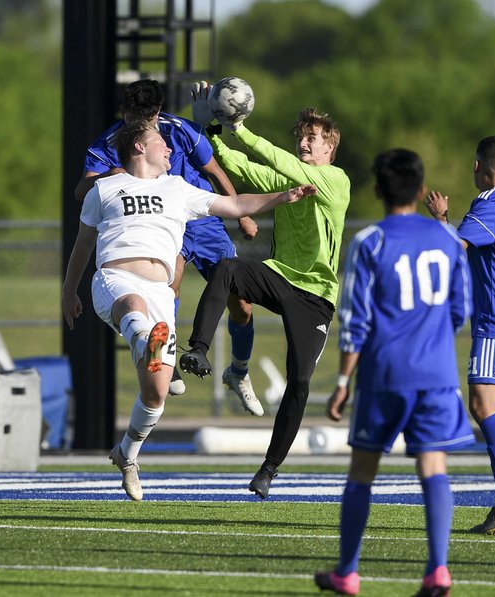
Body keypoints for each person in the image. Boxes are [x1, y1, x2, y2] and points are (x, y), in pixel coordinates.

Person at [62, 120, 316, 501]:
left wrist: (282, 197)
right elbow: (83, 244)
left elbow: (233, 205)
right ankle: (147, 340)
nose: (168, 149)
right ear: (138, 149)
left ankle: (127, 453)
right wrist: (68, 291)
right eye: (160, 144)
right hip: (115, 280)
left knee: (156, 395)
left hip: (160, 292)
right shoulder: (105, 188)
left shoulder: (177, 188)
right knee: (133, 309)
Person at [314, 149, 474, 597]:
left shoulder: (369, 242)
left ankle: (348, 572)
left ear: (377, 191)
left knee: (363, 467)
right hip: (437, 374)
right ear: (421, 191)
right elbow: (461, 309)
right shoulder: (447, 239)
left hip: (385, 374)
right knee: (433, 465)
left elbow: (355, 320)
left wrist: (343, 382)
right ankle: (438, 571)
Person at [178, 83, 351, 499]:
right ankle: (198, 349)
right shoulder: (289, 176)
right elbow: (235, 165)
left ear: (330, 151)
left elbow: (271, 158)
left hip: (315, 297)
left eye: (313, 139)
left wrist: (240, 127)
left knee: (301, 383)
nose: (304, 143)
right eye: (302, 137)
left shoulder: (335, 180)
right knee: (228, 269)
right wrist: (210, 128)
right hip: (279, 275)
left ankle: (268, 470)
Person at [75, 79, 263, 414]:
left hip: (202, 219)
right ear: (124, 113)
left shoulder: (180, 130)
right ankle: (166, 359)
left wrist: (242, 216)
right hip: (163, 225)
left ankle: (239, 371)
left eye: (150, 122)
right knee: (168, 284)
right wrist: (115, 173)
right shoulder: (110, 141)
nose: (144, 129)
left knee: (242, 304)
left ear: (159, 114)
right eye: (136, 121)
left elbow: (215, 171)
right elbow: (82, 190)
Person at [424, 136, 495, 534]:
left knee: (481, 405)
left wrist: (441, 217)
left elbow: (450, 248)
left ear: (478, 167)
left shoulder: (489, 205)